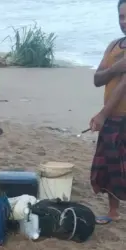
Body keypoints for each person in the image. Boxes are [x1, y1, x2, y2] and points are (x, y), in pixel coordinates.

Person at [90, 0, 126, 225]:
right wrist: (116, 68)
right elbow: (97, 78)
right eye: (121, 17)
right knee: (110, 164)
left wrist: (102, 114)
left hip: (122, 114)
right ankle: (113, 212)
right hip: (112, 115)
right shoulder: (114, 45)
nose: (124, 22)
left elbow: (124, 85)